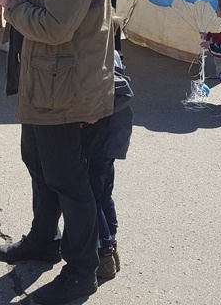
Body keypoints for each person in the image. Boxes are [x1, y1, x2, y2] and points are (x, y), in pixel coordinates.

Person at [0, 0, 114, 305]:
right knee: (37, 163)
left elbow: (55, 25)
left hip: (67, 88)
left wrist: (10, 3)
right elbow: (44, 0)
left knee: (69, 181)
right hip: (44, 80)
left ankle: (82, 271)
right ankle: (44, 240)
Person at [88, 50, 133, 280]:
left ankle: (104, 251)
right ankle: (111, 242)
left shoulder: (107, 71)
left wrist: (92, 114)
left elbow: (122, 93)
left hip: (100, 146)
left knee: (93, 198)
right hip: (109, 146)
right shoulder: (113, 59)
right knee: (104, 195)